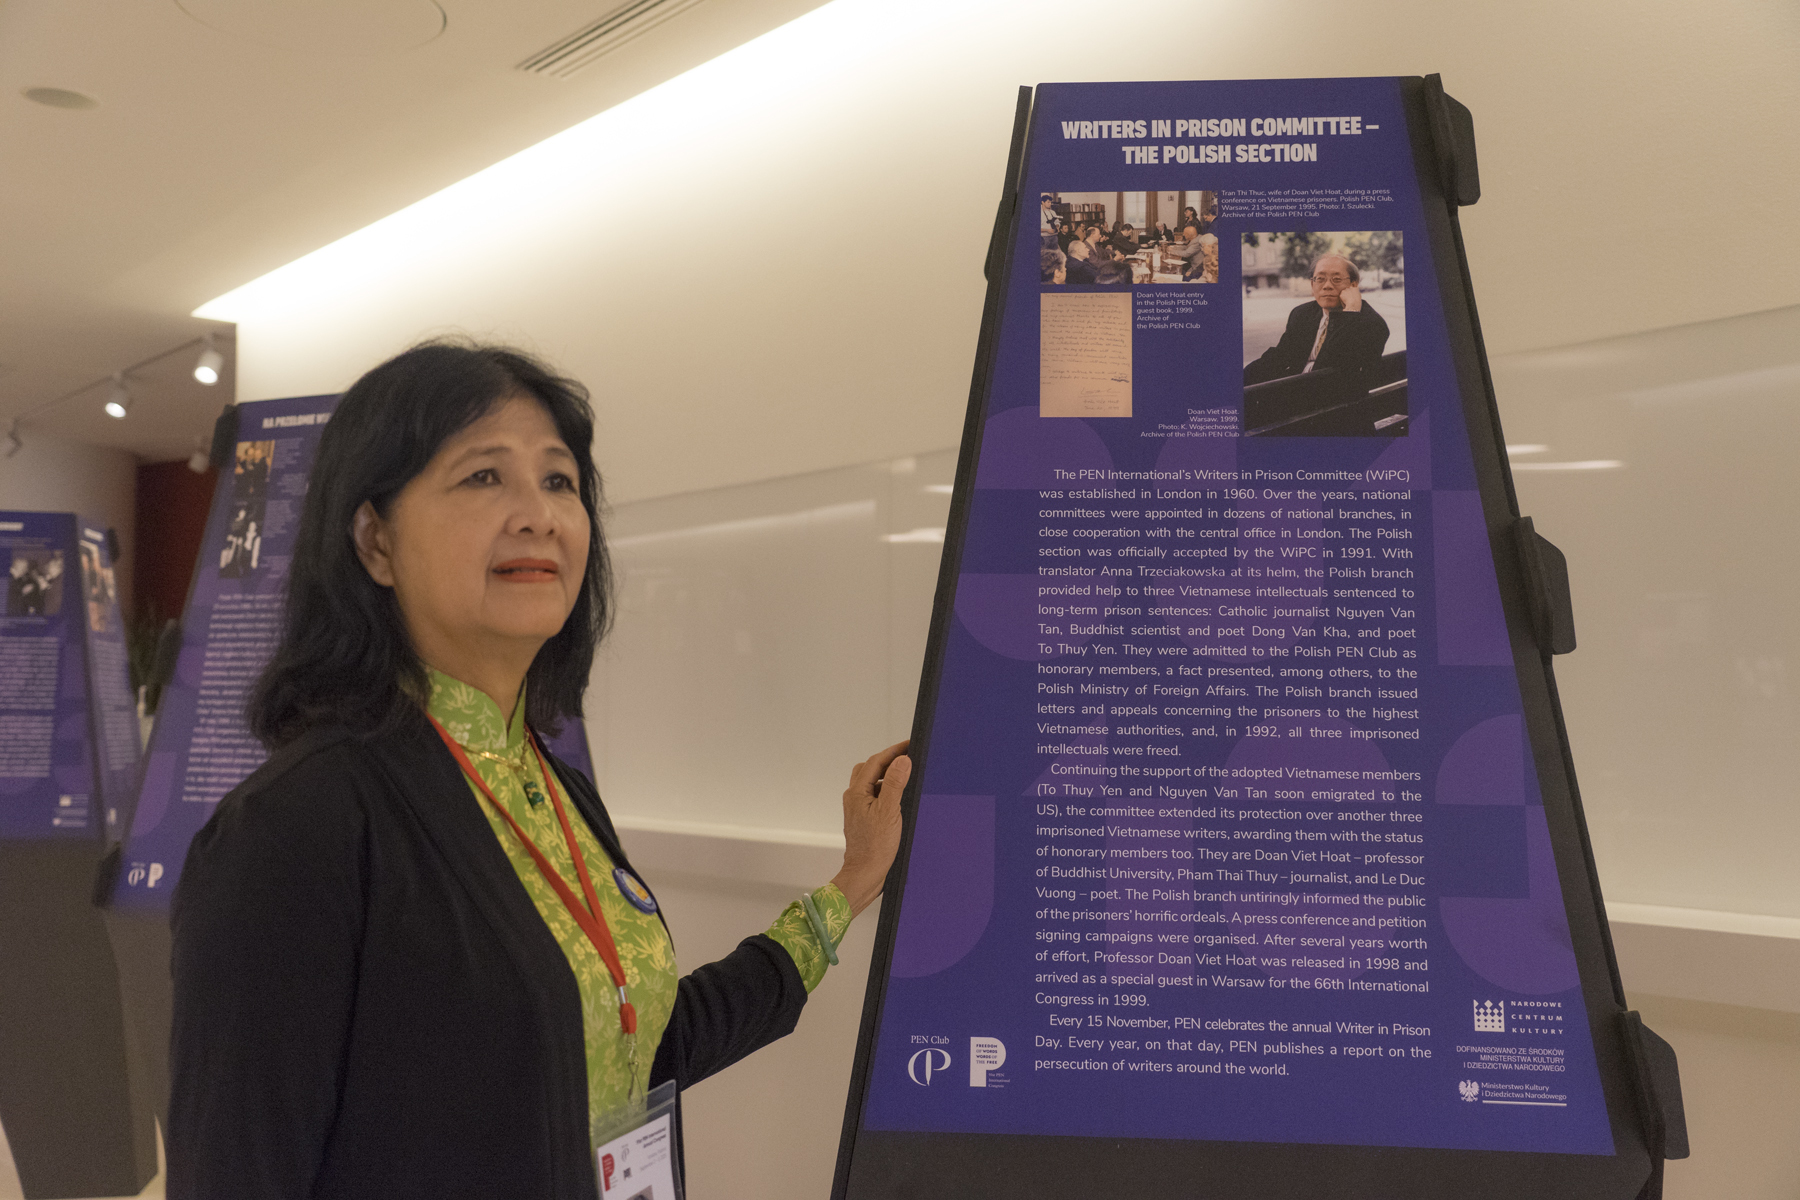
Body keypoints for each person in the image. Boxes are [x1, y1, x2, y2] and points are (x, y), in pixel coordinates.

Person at [167, 341, 911, 1199]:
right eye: (484, 476)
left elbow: (641, 1045)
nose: (538, 515)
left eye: (559, 480)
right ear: (375, 540)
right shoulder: (297, 826)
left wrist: (850, 885)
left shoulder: (554, 787)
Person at [1243, 253, 1390, 384]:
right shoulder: (1302, 314)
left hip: (1330, 400)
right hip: (1295, 391)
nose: (1327, 286)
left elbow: (1335, 368)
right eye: (1320, 279)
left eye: (1336, 279)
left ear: (1353, 285)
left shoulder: (1372, 324)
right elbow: (1280, 356)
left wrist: (1350, 312)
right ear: (1312, 284)